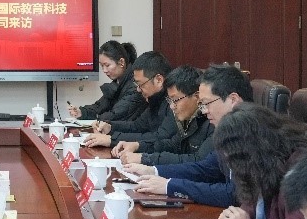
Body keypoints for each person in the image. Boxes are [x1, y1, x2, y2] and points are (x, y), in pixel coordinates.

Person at [201, 103, 307, 219]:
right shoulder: (270, 164)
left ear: (252, 153)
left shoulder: (301, 175)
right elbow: (260, 197)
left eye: (236, 160)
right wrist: (238, 215)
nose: (235, 168)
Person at [132, 62, 252, 206]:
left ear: (233, 100)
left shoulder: (252, 134)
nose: (204, 110)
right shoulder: (229, 132)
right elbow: (205, 169)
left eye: (207, 103)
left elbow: (234, 194)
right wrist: (154, 171)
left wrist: (169, 186)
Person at [117, 65, 213, 166]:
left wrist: (145, 159)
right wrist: (138, 146)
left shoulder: (212, 122)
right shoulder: (191, 118)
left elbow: (198, 161)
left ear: (197, 97)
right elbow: (172, 145)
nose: (172, 106)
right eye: (170, 100)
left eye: (175, 100)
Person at [80, 52, 172, 150]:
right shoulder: (155, 99)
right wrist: (110, 126)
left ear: (159, 80)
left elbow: (158, 138)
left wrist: (112, 140)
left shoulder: (173, 103)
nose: (138, 89)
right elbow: (137, 126)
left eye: (140, 84)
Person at [66, 41, 144, 123]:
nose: (104, 70)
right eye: (102, 66)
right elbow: (99, 107)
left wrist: (97, 117)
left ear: (121, 62)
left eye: (107, 65)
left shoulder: (135, 85)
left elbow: (115, 115)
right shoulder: (117, 83)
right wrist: (81, 112)